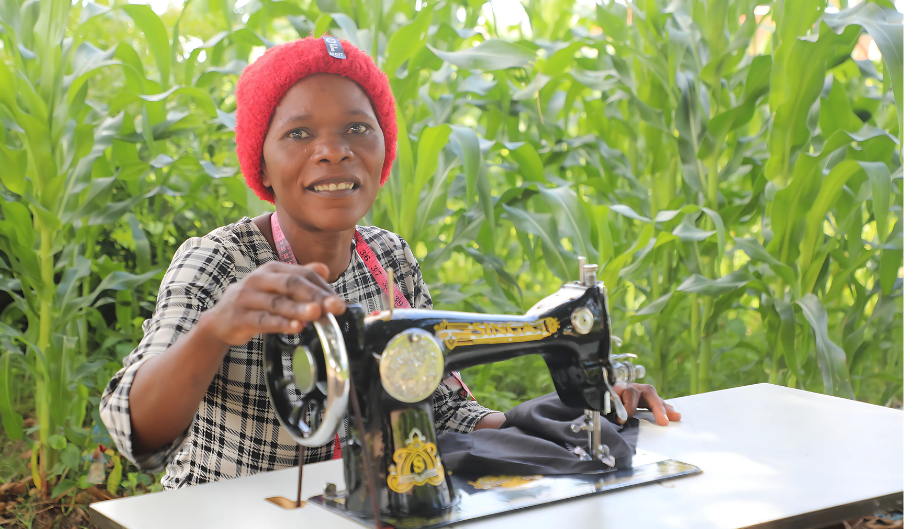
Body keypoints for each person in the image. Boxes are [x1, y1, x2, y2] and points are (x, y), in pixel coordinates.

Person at [98, 36, 680, 491]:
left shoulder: (388, 258)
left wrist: (582, 419)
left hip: (361, 511)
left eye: (357, 128)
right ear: (263, 167)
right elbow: (135, 434)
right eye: (298, 133)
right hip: (236, 526)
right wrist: (215, 329)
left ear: (383, 151)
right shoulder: (219, 262)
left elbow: (442, 407)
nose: (332, 149)